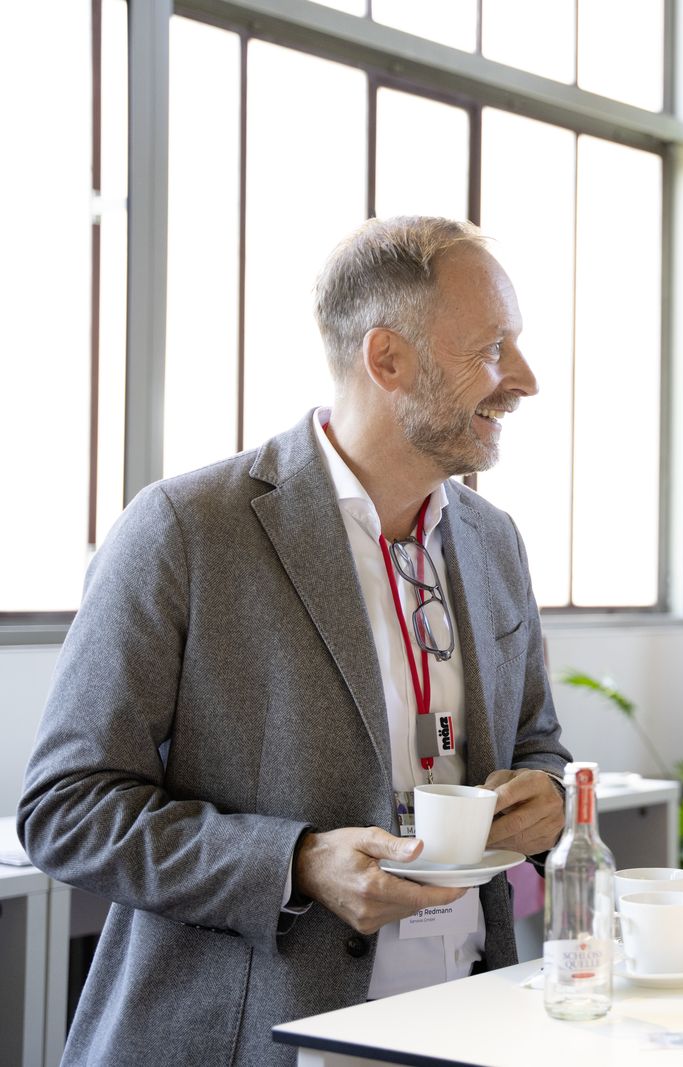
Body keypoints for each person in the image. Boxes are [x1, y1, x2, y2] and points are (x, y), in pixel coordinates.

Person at [20, 217, 572, 1065]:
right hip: (252, 1038)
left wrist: (548, 795)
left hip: (464, 1021)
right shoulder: (185, 530)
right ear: (387, 359)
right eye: (493, 348)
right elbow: (66, 807)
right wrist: (297, 863)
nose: (524, 379)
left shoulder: (493, 540)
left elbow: (538, 742)